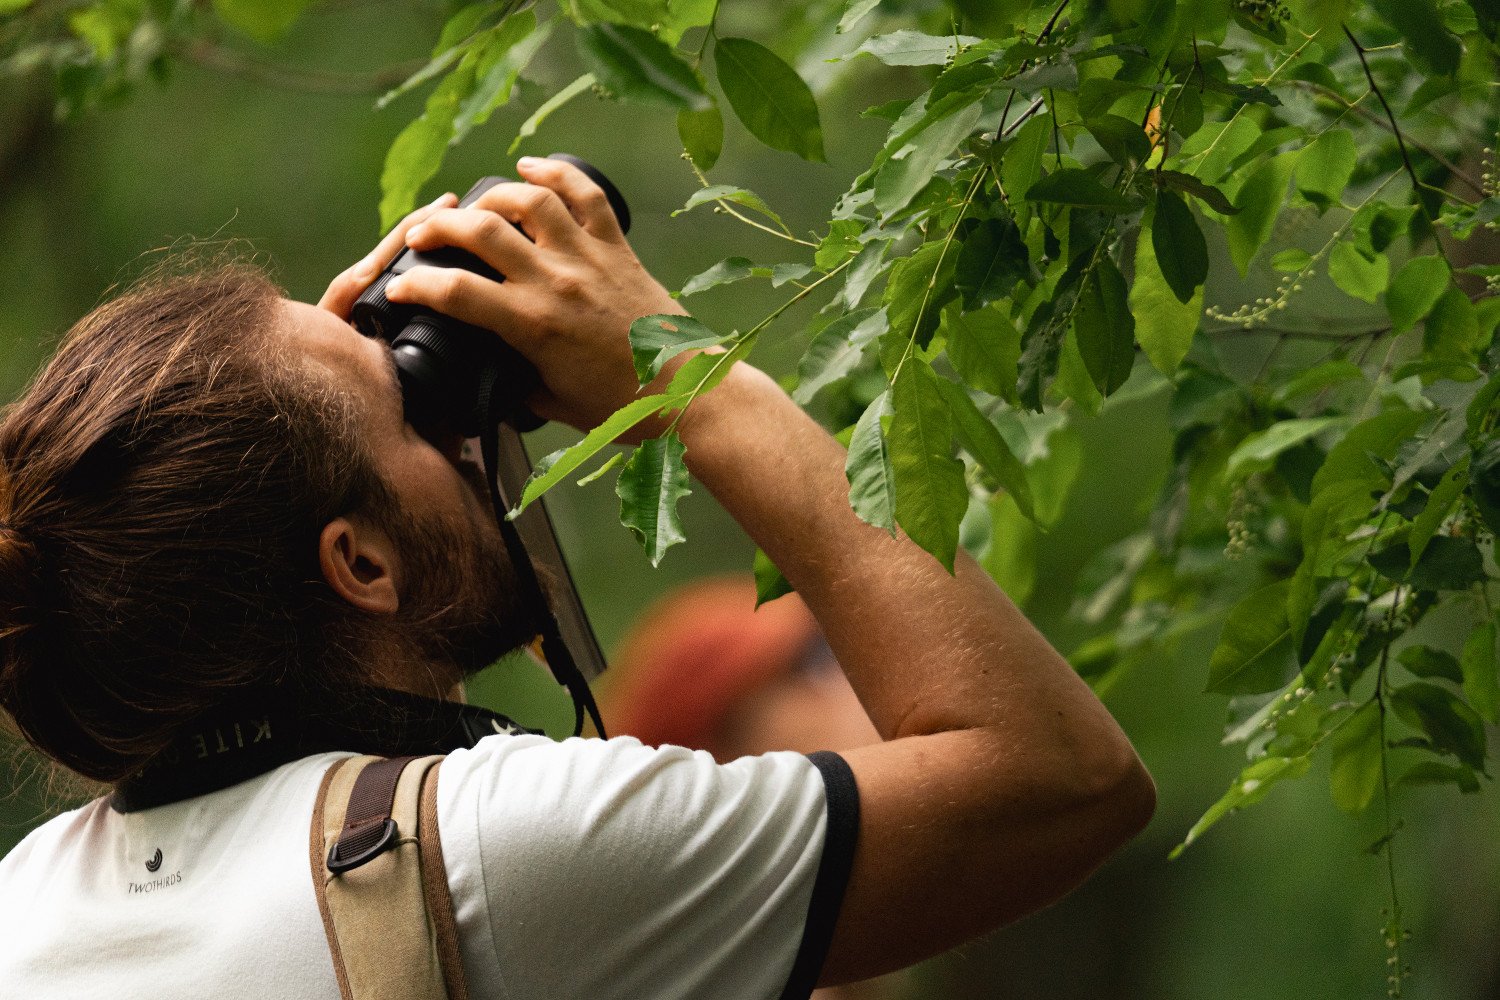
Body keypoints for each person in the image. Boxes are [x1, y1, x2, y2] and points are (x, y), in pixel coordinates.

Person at [0, 157, 1154, 999]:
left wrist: (326, 380)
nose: (463, 422)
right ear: (359, 562)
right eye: (406, 395)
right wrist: (683, 371)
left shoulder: (33, 903)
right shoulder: (491, 849)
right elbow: (1061, 778)